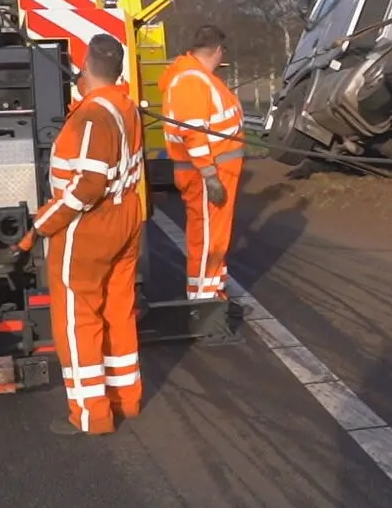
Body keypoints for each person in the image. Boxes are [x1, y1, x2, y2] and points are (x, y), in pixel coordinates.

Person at [17, 33, 146, 435]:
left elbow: (87, 186)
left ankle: (91, 416)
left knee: (78, 320)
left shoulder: (92, 117)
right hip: (126, 219)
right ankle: (126, 398)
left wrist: (38, 228)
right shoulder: (124, 106)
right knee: (117, 310)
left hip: (89, 229)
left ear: (86, 67)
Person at [161, 25, 245, 300]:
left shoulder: (200, 78)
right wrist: (209, 175)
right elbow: (193, 131)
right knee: (207, 239)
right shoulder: (191, 81)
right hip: (207, 175)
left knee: (214, 237)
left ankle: (211, 291)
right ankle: (203, 299)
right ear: (218, 50)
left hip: (214, 172)